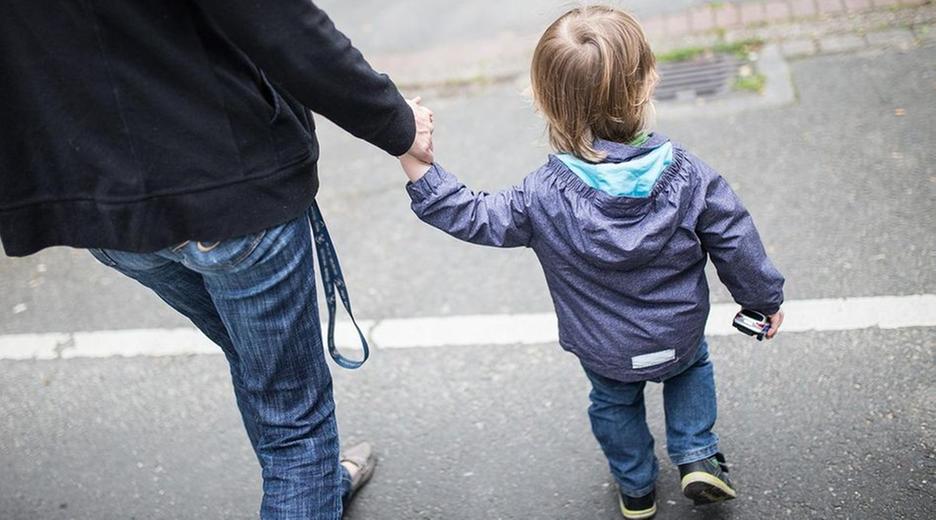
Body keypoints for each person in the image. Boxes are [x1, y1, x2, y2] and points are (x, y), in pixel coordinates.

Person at [1, 1, 433, 518]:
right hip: (228, 187)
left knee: (262, 368)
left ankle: (313, 482)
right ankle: (306, 483)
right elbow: (281, 24)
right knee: (293, 420)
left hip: (103, 207)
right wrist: (396, 122)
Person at [397, 6, 784, 519]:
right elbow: (736, 239)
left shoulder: (540, 195)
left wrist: (415, 161)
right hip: (678, 333)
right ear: (647, 84)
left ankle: (637, 488)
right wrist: (763, 301)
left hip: (602, 346)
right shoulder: (691, 175)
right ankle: (696, 453)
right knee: (692, 371)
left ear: (543, 102)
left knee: (613, 403)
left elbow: (475, 215)